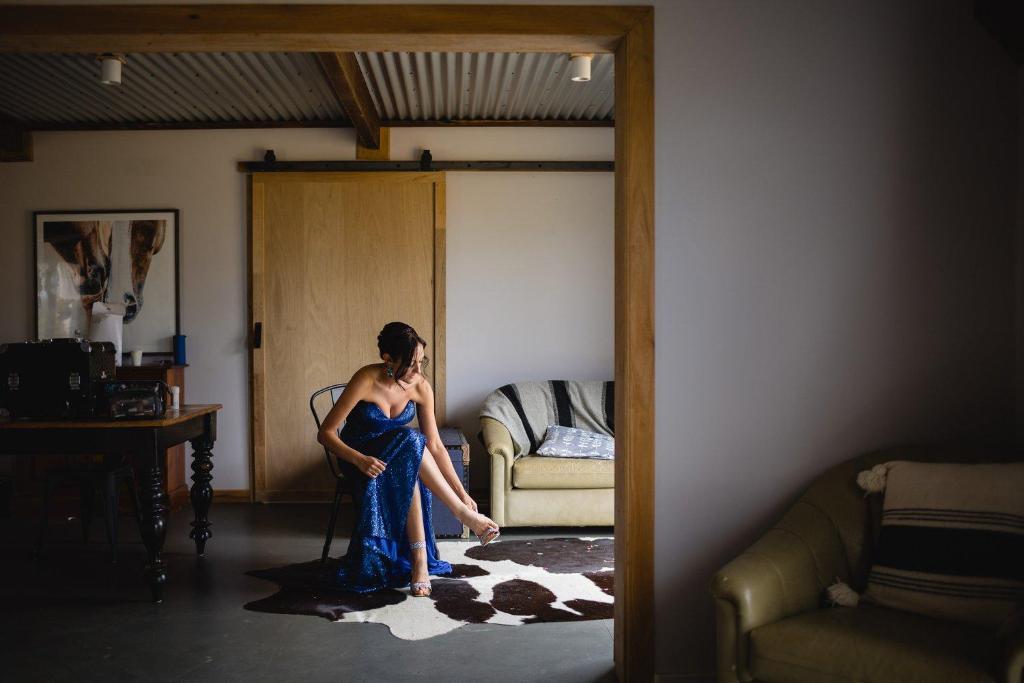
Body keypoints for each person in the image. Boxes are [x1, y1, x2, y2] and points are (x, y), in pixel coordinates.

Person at [317, 322, 501, 597]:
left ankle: (424, 557)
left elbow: (436, 445)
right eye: (411, 364)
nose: (418, 372)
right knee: (411, 442)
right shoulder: (366, 379)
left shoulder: (420, 387)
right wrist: (358, 460)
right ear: (388, 360)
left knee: (412, 447)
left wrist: (462, 492)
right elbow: (326, 434)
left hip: (399, 460)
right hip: (362, 460)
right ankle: (436, 545)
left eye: (421, 362)